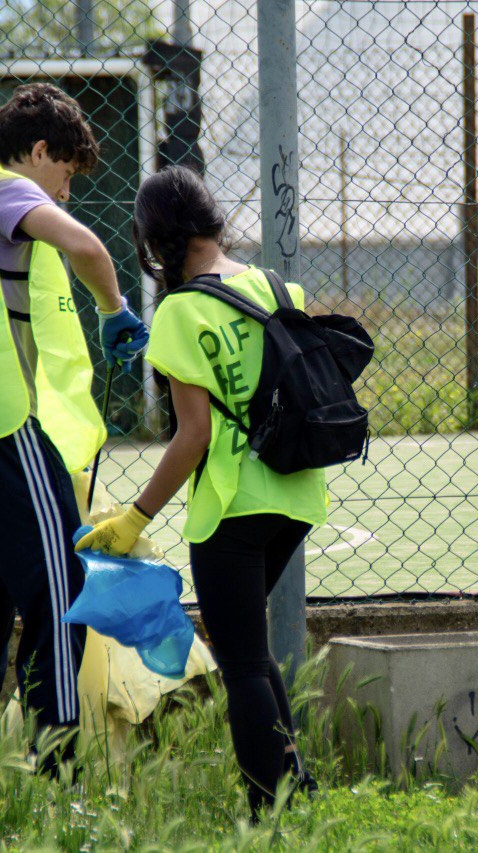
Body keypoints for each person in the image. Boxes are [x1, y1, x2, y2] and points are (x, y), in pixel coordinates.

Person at [75, 165, 326, 817]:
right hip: (295, 493)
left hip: (233, 506)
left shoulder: (180, 312)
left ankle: (264, 812)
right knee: (250, 644)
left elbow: (193, 437)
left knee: (240, 662)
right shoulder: (276, 284)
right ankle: (295, 781)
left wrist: (134, 517)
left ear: (155, 243)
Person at [0, 83, 149, 746]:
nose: (65, 191)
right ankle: (59, 765)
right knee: (64, 587)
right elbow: (87, 246)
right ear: (39, 151)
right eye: (65, 173)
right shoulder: (4, 189)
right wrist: (113, 309)